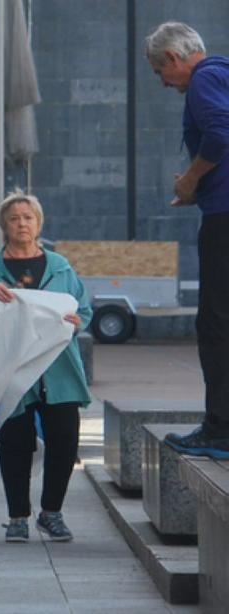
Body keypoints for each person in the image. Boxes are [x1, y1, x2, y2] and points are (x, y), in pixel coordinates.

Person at [0, 193, 91, 542]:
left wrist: (77, 322)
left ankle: (52, 512)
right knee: (16, 444)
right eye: (14, 218)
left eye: (28, 217)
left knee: (64, 442)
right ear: (4, 226)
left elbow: (83, 309)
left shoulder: (61, 267)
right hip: (11, 374)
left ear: (38, 224)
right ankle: (18, 515)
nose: (22, 223)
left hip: (58, 371)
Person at [146, 22, 229, 459]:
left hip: (224, 218)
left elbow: (219, 133)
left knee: (215, 323)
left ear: (175, 59)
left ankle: (220, 430)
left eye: (161, 72)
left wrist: (192, 179)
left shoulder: (204, 79)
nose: (163, 82)